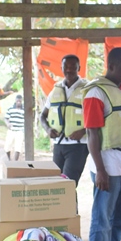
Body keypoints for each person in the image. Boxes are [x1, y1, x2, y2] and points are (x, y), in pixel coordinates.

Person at [84, 48, 121, 241]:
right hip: (107, 163)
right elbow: (91, 134)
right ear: (111, 65)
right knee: (103, 217)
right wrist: (100, 170)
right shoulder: (96, 93)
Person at [41, 54, 90, 184]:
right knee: (56, 183)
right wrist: (48, 129)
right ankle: (67, 205)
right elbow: (43, 116)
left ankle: (71, 205)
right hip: (58, 144)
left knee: (68, 184)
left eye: (73, 67)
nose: (69, 70)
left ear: (79, 67)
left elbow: (100, 117)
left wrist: (83, 131)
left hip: (78, 146)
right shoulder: (56, 90)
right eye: (66, 66)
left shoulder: (88, 89)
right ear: (61, 68)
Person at [5, 94, 25, 161]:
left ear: (21, 101)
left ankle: (15, 162)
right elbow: (6, 118)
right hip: (11, 130)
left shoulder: (24, 109)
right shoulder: (10, 108)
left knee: (18, 147)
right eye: (17, 101)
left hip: (20, 130)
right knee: (7, 146)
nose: (18, 102)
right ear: (15, 101)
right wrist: (8, 124)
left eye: (20, 101)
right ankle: (9, 159)